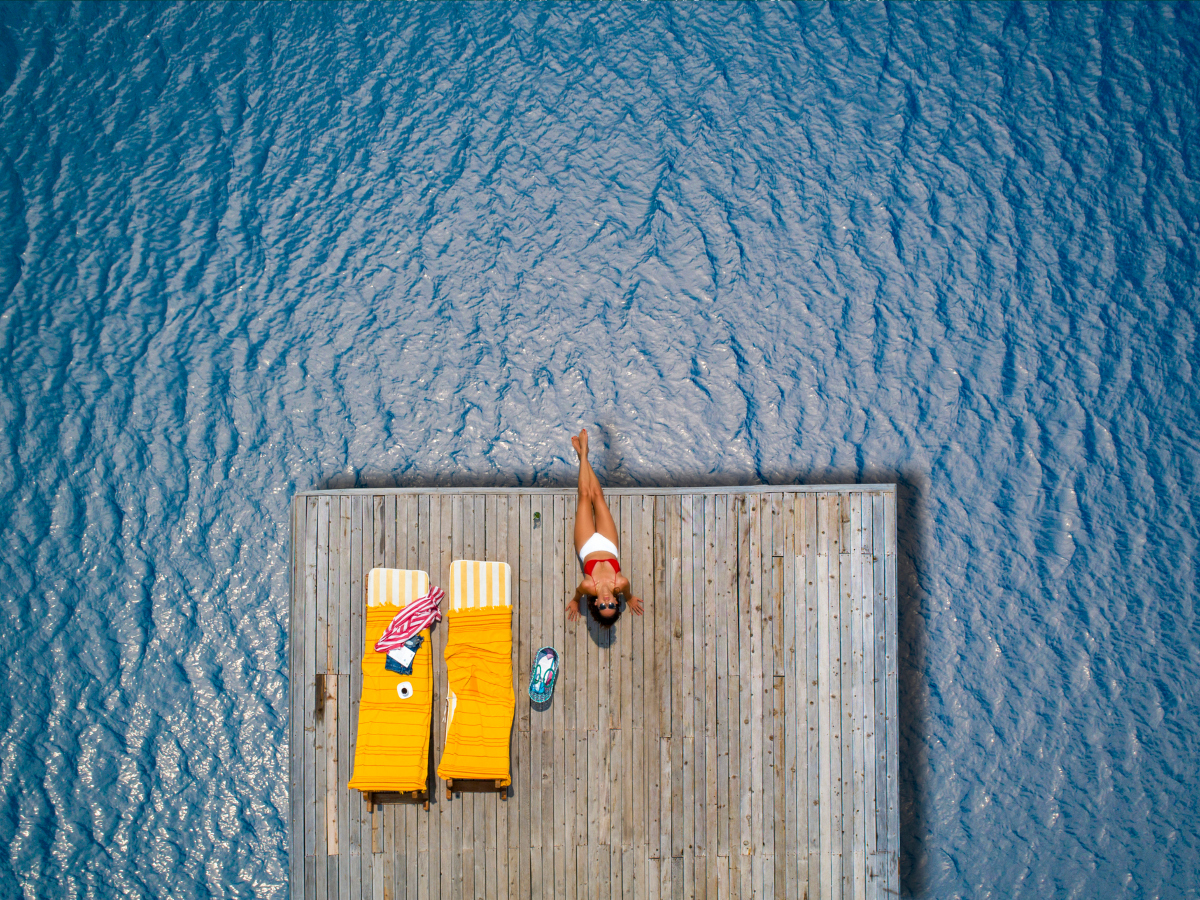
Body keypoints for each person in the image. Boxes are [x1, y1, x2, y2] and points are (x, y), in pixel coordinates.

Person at [566, 428, 644, 627]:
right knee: (598, 496)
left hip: (587, 547)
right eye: (612, 605)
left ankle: (583, 454)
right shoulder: (622, 584)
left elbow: (576, 596)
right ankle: (583, 454)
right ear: (617, 603)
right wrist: (631, 599)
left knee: (584, 495)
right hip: (609, 545)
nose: (607, 602)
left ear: (596, 603)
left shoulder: (587, 586)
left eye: (602, 606)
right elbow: (628, 594)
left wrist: (575, 602)